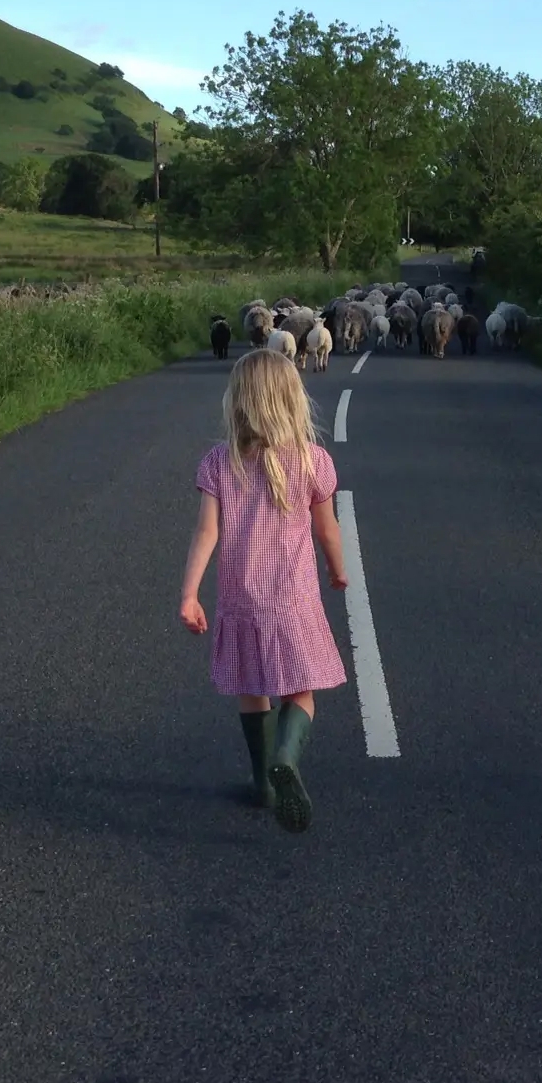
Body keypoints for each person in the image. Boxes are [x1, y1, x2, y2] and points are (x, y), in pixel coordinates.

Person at [178, 348, 348, 833]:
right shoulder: (314, 462)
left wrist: (190, 594)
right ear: (292, 401)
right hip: (294, 598)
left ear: (239, 402)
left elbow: (205, 533)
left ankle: (263, 783)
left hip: (241, 599)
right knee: (301, 689)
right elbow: (328, 529)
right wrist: (339, 571)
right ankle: (287, 758)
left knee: (253, 689)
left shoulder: (218, 462)